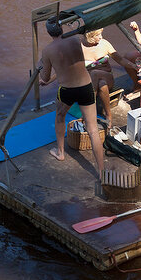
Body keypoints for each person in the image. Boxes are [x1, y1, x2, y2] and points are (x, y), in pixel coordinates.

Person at [38, 19, 105, 182]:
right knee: (93, 129)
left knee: (60, 117)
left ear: (48, 32)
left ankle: (61, 152)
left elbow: (45, 77)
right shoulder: (75, 40)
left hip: (67, 89)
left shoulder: (47, 50)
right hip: (85, 86)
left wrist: (41, 65)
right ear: (61, 28)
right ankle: (103, 173)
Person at [81, 28, 137, 118]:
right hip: (90, 81)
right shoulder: (80, 48)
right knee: (101, 83)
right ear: (90, 36)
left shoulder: (104, 43)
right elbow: (72, 68)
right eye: (97, 35)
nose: (101, 37)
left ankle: (89, 107)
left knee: (95, 73)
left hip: (107, 77)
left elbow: (120, 59)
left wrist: (133, 66)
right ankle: (108, 114)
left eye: (101, 34)